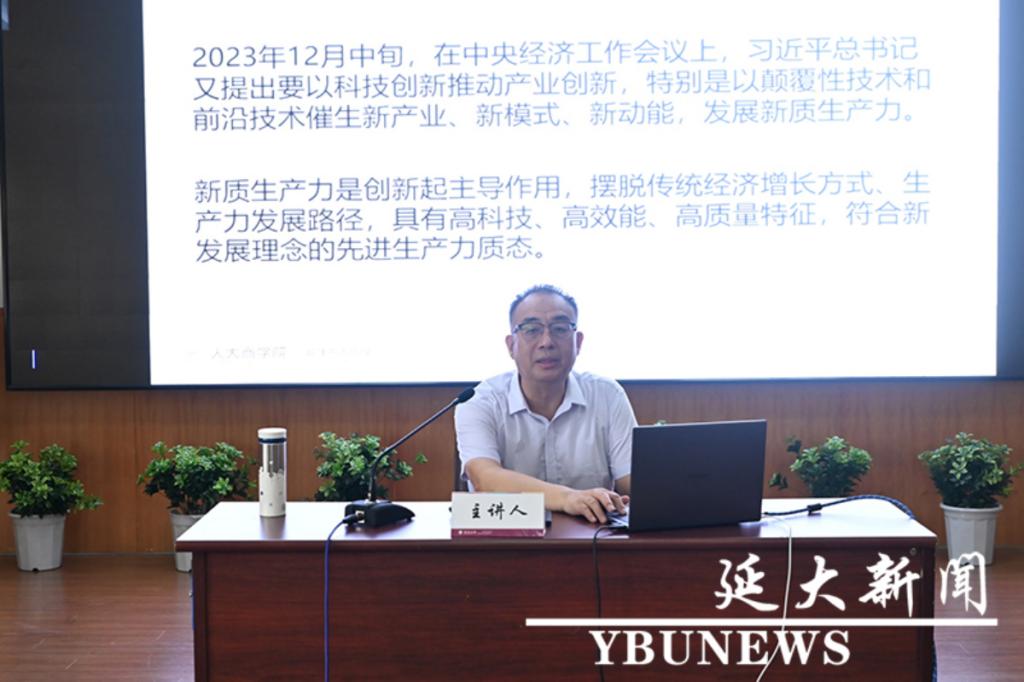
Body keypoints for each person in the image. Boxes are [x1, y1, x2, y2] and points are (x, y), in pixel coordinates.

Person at [455, 284, 637, 523]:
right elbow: (485, 478)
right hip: (506, 539)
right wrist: (568, 498)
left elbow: (632, 482)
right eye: (531, 330)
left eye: (560, 329)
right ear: (511, 346)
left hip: (592, 536)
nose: (546, 342)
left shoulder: (608, 395)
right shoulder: (480, 401)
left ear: (578, 342)